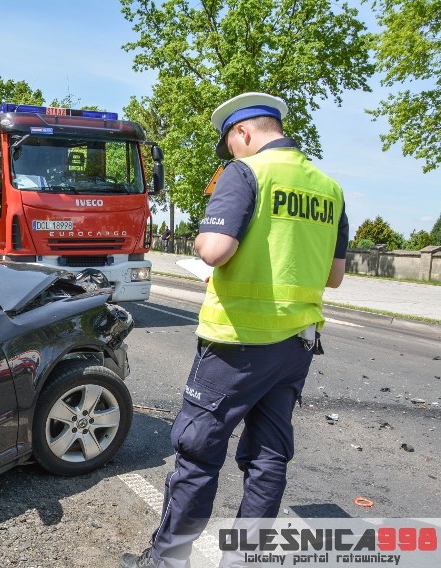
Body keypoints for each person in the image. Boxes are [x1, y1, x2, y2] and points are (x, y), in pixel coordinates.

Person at [120, 92, 349, 568]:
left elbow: (214, 250)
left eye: (231, 145)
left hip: (236, 345)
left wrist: (206, 242)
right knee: (268, 457)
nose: (232, 155)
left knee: (198, 453)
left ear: (243, 133)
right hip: (297, 344)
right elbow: (333, 276)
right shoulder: (329, 188)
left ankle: (166, 562)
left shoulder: (246, 173)